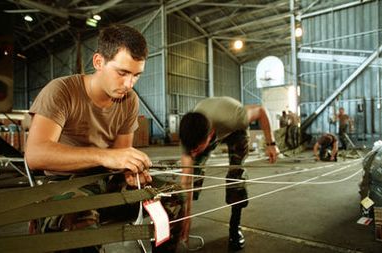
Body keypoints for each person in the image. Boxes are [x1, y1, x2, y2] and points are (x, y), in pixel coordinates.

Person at [25, 24, 182, 252]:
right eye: (122, 73)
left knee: (170, 197)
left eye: (136, 75)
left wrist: (131, 170)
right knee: (84, 225)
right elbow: (36, 154)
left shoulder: (129, 100)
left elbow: (120, 156)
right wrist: (106, 157)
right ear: (98, 62)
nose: (129, 85)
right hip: (60, 185)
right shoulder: (61, 91)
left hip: (104, 181)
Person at [179, 96, 278, 250]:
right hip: (209, 123)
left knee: (236, 175)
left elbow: (261, 111)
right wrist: (187, 217)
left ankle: (234, 226)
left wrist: (271, 144)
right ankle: (182, 223)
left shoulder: (237, 118)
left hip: (235, 129)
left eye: (197, 148)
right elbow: (187, 179)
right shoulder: (189, 132)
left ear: (211, 135)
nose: (193, 152)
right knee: (195, 172)